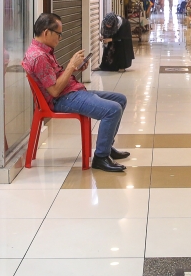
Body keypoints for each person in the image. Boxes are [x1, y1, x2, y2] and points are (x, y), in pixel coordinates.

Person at [22, 13, 130, 172]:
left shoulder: (43, 51)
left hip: (71, 92)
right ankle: (101, 157)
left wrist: (76, 68)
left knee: (120, 99)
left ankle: (106, 146)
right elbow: (55, 91)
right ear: (46, 32)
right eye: (58, 34)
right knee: (113, 110)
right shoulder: (39, 57)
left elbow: (56, 78)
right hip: (63, 99)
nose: (60, 38)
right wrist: (71, 66)